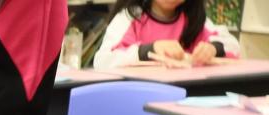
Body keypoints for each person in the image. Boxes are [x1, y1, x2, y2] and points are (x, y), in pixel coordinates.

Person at [94, 0, 240, 69]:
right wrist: (149, 50)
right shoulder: (130, 17)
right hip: (137, 99)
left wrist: (213, 49)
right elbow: (102, 61)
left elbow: (233, 46)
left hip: (182, 98)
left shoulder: (193, 20)